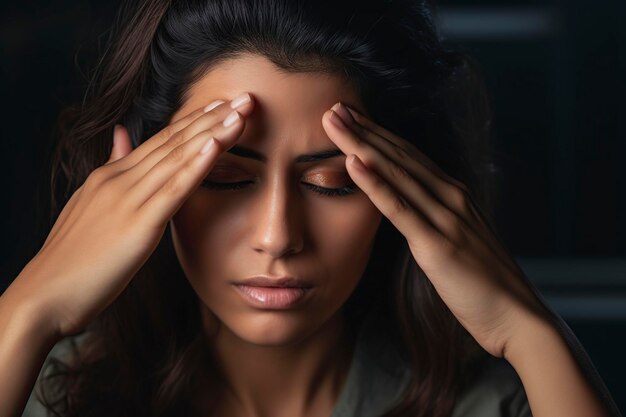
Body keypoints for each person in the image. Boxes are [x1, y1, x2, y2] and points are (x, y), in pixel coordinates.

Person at [0, 0, 621, 416]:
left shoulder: (491, 401)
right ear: (135, 176)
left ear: (408, 192)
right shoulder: (50, 387)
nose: (278, 237)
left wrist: (528, 332)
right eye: (223, 178)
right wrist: (29, 310)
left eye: (331, 182)